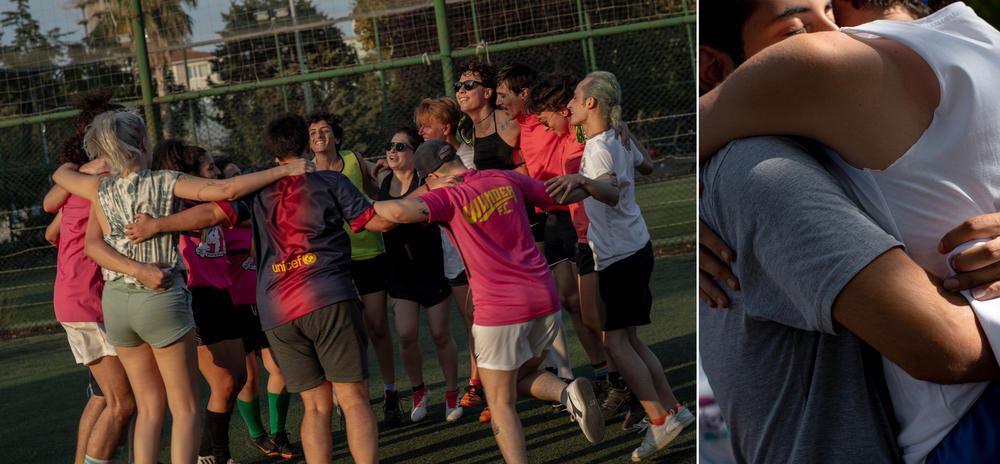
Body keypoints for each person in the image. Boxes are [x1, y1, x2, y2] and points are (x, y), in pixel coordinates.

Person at [697, 0, 1000, 461]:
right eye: (797, 29)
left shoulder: (831, 74)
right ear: (711, 66)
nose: (831, 34)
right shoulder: (983, 41)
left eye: (831, 14)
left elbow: (951, 351)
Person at [120, 113, 390, 463]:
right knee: (352, 399)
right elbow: (377, 220)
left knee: (314, 405)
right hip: (330, 298)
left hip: (278, 312)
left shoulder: (256, 189)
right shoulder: (330, 181)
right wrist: (429, 200)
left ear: (273, 153)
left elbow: (209, 215)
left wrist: (158, 225)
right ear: (307, 144)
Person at [51, 109, 310, 464]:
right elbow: (227, 189)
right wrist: (284, 169)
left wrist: (134, 269)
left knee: (149, 408)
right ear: (144, 142)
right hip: (160, 300)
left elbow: (82, 226)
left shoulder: (100, 187)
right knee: (184, 406)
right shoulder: (164, 179)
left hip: (115, 303)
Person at [364, 138, 605, 464]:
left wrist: (350, 199)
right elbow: (561, 194)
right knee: (519, 378)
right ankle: (566, 392)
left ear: (431, 176)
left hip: (499, 309)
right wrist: (592, 183)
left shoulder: (445, 195)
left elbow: (391, 212)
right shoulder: (504, 177)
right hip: (543, 299)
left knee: (500, 403)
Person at [545, 71, 693, 461]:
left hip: (619, 256)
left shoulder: (597, 148)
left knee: (617, 343)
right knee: (629, 340)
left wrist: (581, 179)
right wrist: (618, 135)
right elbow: (644, 168)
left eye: (576, 98)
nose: (570, 104)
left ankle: (659, 422)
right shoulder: (612, 137)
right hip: (634, 248)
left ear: (591, 103)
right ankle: (675, 409)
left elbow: (609, 191)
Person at [498, 63, 607, 390]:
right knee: (570, 301)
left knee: (595, 307)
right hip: (553, 218)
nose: (500, 101)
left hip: (581, 214)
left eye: (504, 94)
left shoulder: (562, 120)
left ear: (526, 94)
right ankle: (603, 372)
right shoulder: (523, 123)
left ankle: (620, 372)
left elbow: (592, 128)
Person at [43, 88, 135, 464]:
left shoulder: (77, 182)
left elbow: (51, 229)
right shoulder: (105, 181)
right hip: (88, 300)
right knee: (121, 402)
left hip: (80, 296)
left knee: (112, 397)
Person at [304, 110, 403, 427]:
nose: (320, 134)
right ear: (307, 142)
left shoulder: (353, 159)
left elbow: (375, 194)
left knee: (377, 326)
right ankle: (342, 398)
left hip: (369, 253)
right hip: (331, 262)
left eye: (325, 129)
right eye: (313, 132)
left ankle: (390, 393)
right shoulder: (304, 173)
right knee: (342, 332)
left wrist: (383, 172)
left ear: (336, 136)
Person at [151, 140, 248, 464]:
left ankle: (207, 448)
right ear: (188, 174)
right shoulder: (175, 207)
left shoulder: (212, 200)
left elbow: (240, 211)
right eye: (209, 169)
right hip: (196, 298)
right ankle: (217, 454)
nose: (216, 173)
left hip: (224, 293)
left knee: (239, 378)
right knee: (222, 382)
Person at [214, 159, 302, 459]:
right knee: (248, 378)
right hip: (234, 307)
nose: (241, 180)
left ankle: (279, 433)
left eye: (242, 174)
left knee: (280, 368)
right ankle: (257, 434)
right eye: (233, 177)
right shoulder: (219, 220)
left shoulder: (264, 213)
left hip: (266, 302)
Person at [377, 127, 463, 422]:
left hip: (432, 269)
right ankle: (419, 390)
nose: (392, 150)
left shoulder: (428, 181)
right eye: (390, 145)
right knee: (405, 334)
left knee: (440, 334)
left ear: (416, 154)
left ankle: (452, 394)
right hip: (400, 274)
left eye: (401, 147)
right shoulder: (381, 180)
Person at [413, 96, 485, 417]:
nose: (421, 131)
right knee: (471, 321)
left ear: (445, 128)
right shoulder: (428, 170)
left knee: (486, 321)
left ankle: (483, 384)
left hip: (480, 254)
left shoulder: (470, 158)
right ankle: (478, 382)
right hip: (453, 254)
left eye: (426, 126)